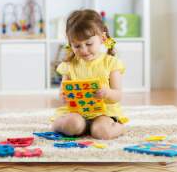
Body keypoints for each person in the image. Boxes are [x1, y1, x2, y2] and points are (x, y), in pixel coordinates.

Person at [51, 9, 129, 140]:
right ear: (70, 44)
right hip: (76, 113)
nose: (84, 50)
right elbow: (62, 92)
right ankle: (60, 125)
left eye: (88, 44)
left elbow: (118, 95)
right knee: (72, 125)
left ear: (102, 38)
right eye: (77, 46)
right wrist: (64, 97)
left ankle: (119, 127)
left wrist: (106, 93)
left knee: (102, 132)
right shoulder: (69, 65)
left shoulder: (111, 63)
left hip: (103, 113)